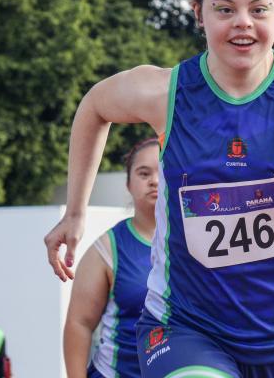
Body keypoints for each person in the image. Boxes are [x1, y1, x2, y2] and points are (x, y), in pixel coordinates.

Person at [44, 0, 274, 377]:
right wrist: (75, 212)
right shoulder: (167, 92)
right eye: (224, 9)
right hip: (187, 327)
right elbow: (95, 106)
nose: (242, 23)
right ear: (199, 13)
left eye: (259, 9)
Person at [63, 138, 159, 378]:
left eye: (163, 172)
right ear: (128, 184)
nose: (154, 181)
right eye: (144, 173)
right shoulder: (108, 247)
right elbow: (79, 324)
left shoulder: (198, 241)